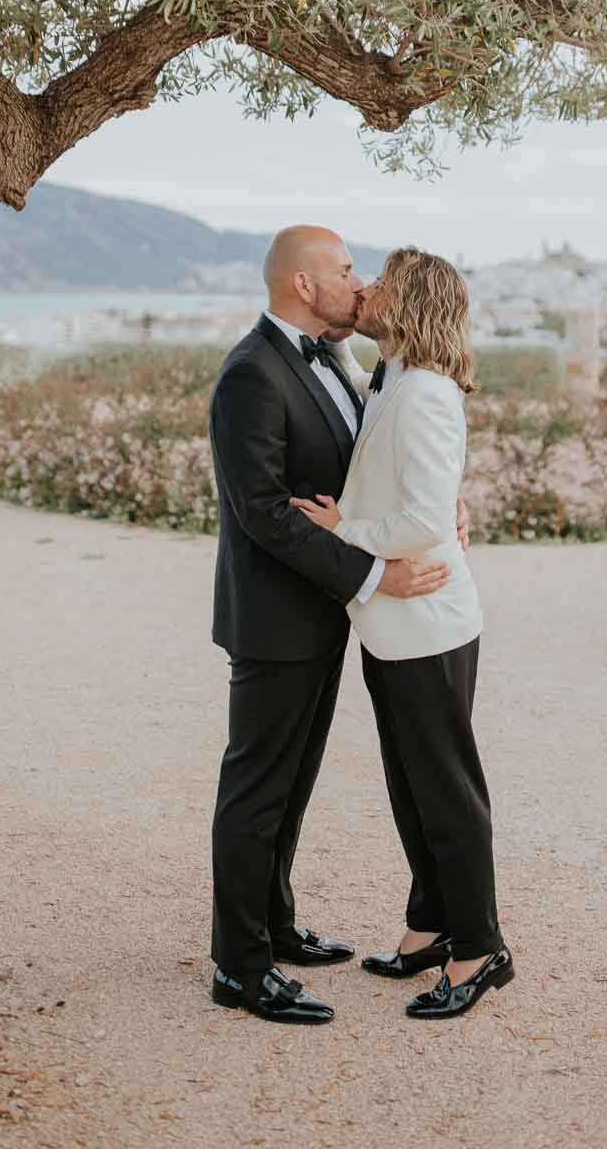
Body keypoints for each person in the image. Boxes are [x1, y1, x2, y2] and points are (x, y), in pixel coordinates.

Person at [207, 226, 463, 1026]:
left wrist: (440, 509)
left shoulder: (344, 363)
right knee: (256, 793)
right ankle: (239, 968)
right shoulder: (251, 373)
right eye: (346, 270)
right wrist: (375, 573)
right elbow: (262, 514)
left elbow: (381, 462)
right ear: (302, 285)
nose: (359, 283)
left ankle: (275, 928)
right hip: (276, 620)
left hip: (319, 617)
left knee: (290, 789)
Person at [292, 247, 514, 1020]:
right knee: (413, 786)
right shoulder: (394, 377)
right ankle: (428, 927)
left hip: (428, 621)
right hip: (397, 625)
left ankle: (480, 948)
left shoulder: (423, 393)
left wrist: (340, 527)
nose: (367, 288)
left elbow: (422, 518)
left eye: (381, 280)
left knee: (445, 792)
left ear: (409, 299)